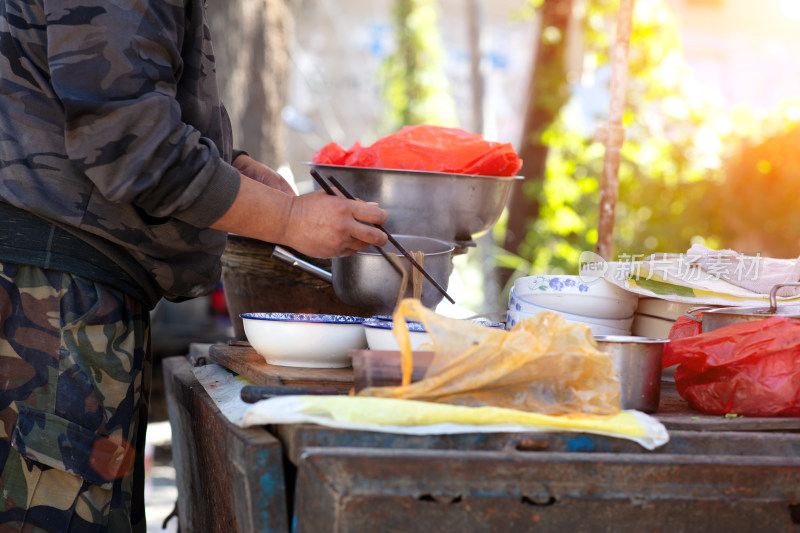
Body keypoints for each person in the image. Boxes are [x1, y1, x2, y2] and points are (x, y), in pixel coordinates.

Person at [0, 1, 388, 531]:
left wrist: (232, 169)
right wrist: (289, 218)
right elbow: (129, 139)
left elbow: (93, 95)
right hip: (44, 296)